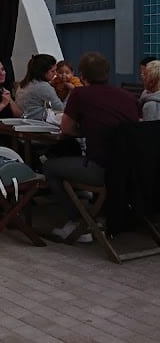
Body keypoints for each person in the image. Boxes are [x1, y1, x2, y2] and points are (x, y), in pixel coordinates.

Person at [43, 51, 139, 243]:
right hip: (131, 170)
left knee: (50, 167)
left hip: (102, 169)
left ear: (83, 76)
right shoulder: (128, 97)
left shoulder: (80, 94)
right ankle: (95, 210)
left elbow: (67, 129)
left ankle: (77, 220)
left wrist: (85, 129)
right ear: (107, 74)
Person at [15, 54, 64, 120]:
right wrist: (71, 92)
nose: (55, 74)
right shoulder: (43, 86)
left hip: (25, 120)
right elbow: (60, 108)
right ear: (43, 72)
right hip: (35, 122)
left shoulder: (25, 83)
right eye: (52, 71)